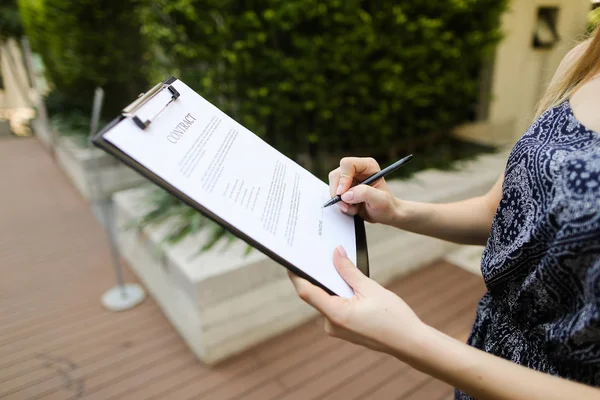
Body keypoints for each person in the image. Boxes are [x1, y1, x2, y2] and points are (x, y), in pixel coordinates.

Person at [288, 26, 600, 399]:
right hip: (484, 358)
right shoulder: (585, 60)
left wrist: (410, 340)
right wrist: (397, 210)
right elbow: (501, 213)